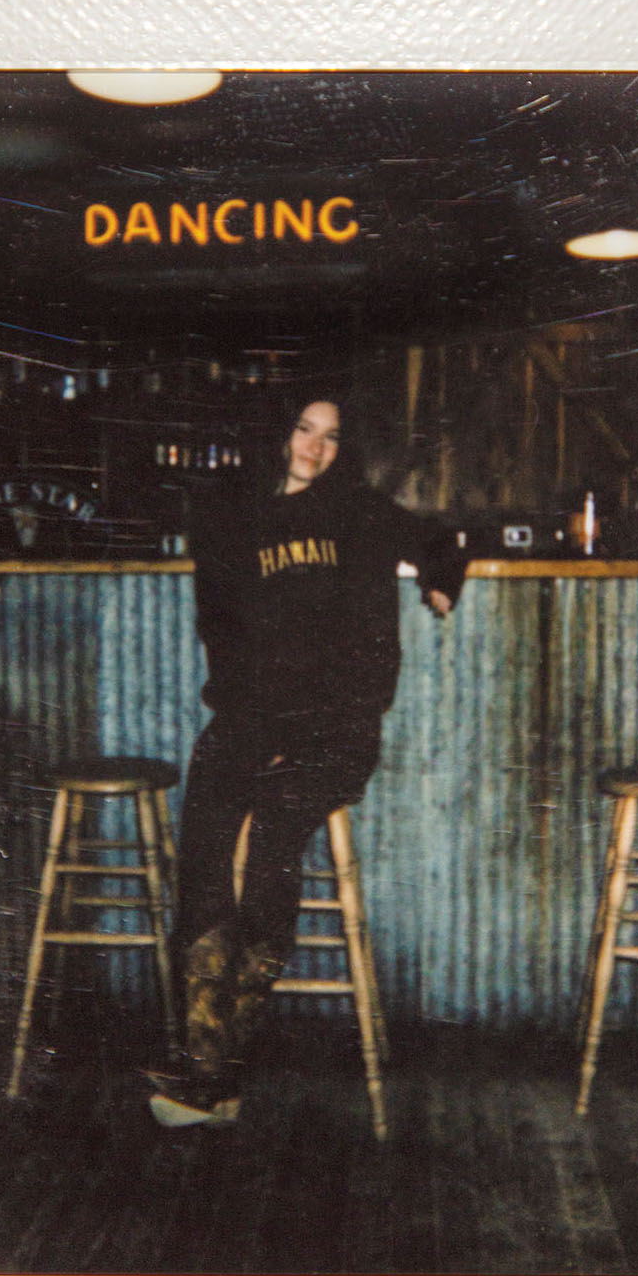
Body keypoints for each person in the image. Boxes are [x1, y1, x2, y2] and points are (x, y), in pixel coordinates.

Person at [144, 394, 467, 1127]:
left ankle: (223, 1068)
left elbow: (442, 536)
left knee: (272, 841)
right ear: (275, 431)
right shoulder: (227, 518)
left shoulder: (357, 510)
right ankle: (203, 1064)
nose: (315, 449)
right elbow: (218, 631)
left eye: (331, 437)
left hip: (339, 728)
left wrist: (440, 579)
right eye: (302, 430)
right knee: (203, 842)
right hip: (251, 718)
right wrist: (257, 722)